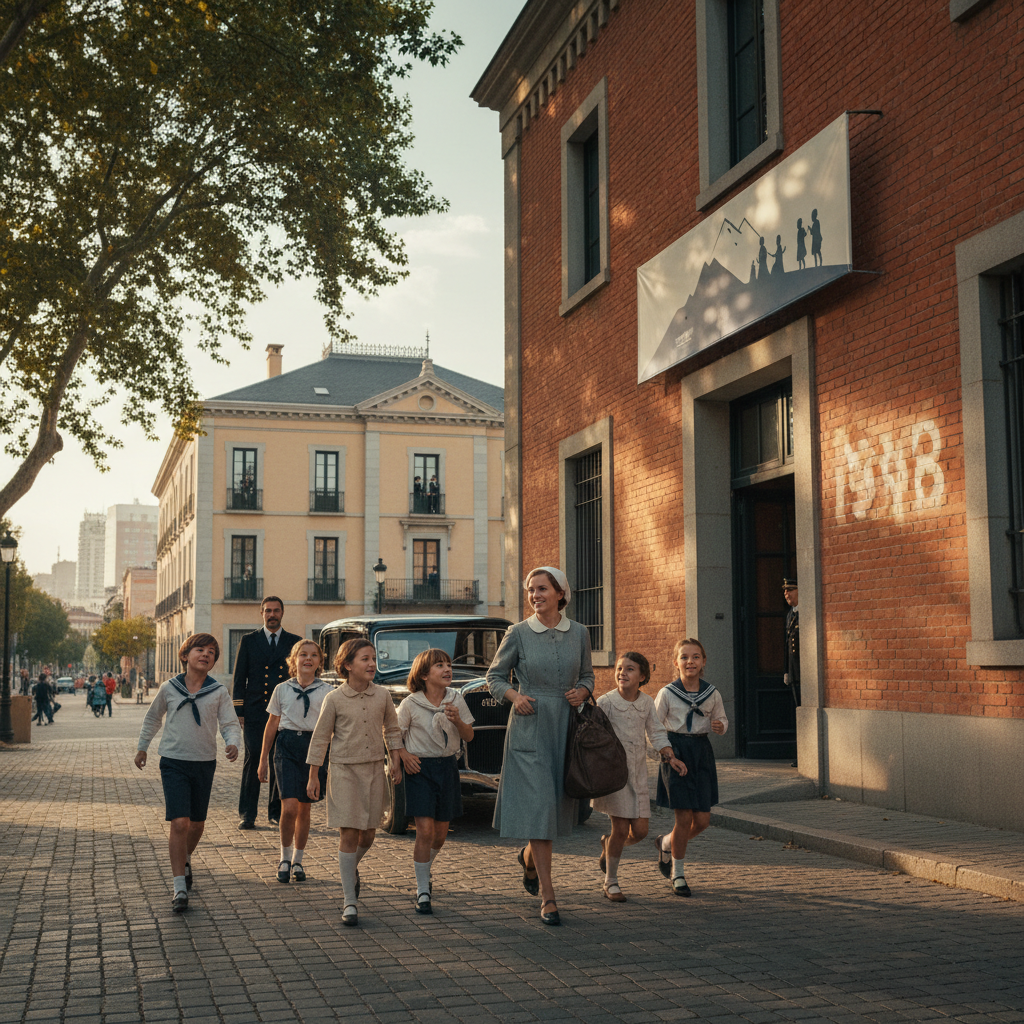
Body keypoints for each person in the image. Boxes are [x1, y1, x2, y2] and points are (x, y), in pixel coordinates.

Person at [485, 566, 593, 926]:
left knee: (552, 812)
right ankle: (548, 897)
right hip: (530, 726)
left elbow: (589, 675)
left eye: (542, 589)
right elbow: (495, 677)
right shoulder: (517, 633)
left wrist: (585, 691)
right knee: (541, 809)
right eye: (531, 590)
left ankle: (529, 859)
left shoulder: (579, 633)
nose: (535, 595)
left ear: (561, 593)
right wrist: (515, 697)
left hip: (565, 727)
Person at [134, 633, 240, 912]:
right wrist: (142, 747)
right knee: (179, 822)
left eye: (212, 652)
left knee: (197, 824)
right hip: (173, 761)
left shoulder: (218, 691)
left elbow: (229, 723)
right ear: (185, 655)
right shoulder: (170, 688)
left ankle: (186, 857)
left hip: (204, 762)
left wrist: (232, 743)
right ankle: (179, 886)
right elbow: (153, 718)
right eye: (200, 649)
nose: (206, 654)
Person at [305, 638, 406, 928]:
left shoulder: (383, 695)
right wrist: (314, 775)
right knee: (349, 835)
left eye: (374, 658)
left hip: (375, 770)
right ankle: (349, 900)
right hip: (343, 772)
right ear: (348, 665)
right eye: (365, 659)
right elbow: (321, 738)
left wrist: (395, 760)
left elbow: (393, 729)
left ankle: (351, 870)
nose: (372, 664)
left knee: (368, 835)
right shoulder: (334, 699)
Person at [593, 652, 684, 902]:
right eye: (620, 668)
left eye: (630, 669)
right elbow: (593, 734)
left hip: (638, 775)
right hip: (615, 776)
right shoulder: (606, 702)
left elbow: (655, 732)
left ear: (642, 676)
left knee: (641, 832)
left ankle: (608, 844)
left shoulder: (646, 703)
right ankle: (610, 881)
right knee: (620, 828)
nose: (622, 672)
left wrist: (669, 754)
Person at [397, 649, 475, 915]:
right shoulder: (410, 703)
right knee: (425, 830)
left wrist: (458, 720)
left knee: (441, 834)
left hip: (447, 767)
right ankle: (422, 891)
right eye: (439, 665)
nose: (447, 669)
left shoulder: (456, 698)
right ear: (423, 674)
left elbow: (469, 735)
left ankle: (425, 869)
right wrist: (404, 755)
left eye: (449, 665)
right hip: (420, 768)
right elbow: (396, 735)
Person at [653, 637, 728, 897]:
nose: (690, 661)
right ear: (676, 662)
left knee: (703, 820)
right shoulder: (667, 693)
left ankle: (665, 842)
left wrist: (720, 726)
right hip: (676, 752)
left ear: (704, 661)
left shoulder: (712, 692)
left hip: (701, 754)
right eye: (684, 657)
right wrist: (667, 755)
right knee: (683, 818)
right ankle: (678, 873)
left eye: (696, 657)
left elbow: (722, 719)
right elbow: (653, 727)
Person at [257, 639, 331, 884]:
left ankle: (298, 860)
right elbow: (272, 724)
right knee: (288, 807)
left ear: (320, 661)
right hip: (286, 746)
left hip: (314, 747)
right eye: (303, 654)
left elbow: (332, 728)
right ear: (294, 660)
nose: (308, 659)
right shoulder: (282, 689)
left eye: (313, 655)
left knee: (304, 807)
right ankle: (284, 858)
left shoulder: (327, 691)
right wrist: (262, 761)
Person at [232, 596, 301, 830]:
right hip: (255, 709)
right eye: (268, 611)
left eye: (276, 611)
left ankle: (275, 812)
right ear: (261, 613)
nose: (272, 615)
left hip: (284, 710)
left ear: (283, 613)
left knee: (278, 760)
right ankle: (247, 813)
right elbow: (240, 677)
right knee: (253, 757)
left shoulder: (295, 642)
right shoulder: (249, 641)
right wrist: (238, 709)